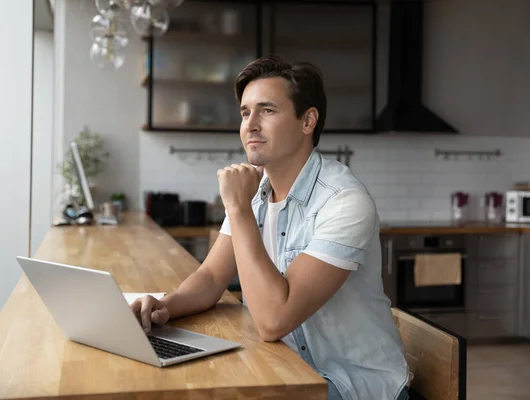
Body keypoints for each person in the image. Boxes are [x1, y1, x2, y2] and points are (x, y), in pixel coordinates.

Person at [131, 55, 410, 400]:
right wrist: (163, 307)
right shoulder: (254, 195)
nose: (250, 124)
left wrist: (237, 208)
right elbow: (210, 279)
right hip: (285, 367)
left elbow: (273, 320)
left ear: (307, 121)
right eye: (245, 112)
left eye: (267, 110)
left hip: (353, 384)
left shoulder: (344, 202)